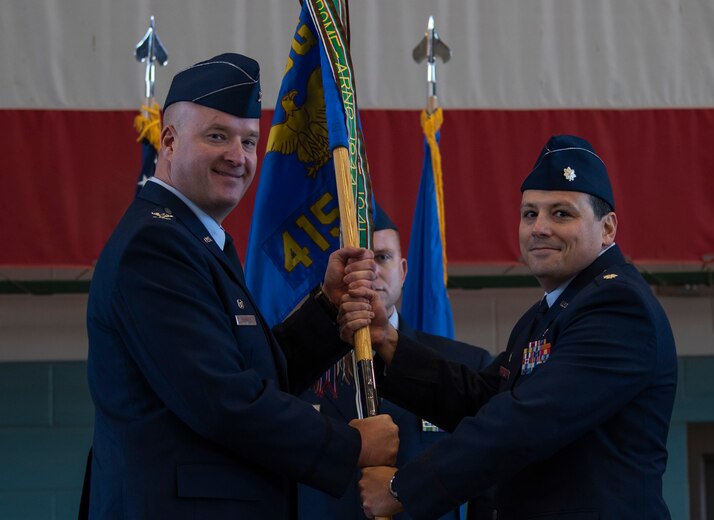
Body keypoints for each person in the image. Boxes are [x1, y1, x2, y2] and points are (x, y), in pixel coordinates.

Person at [84, 53, 398, 518]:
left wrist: (328, 307)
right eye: (217, 136)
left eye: (250, 141)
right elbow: (221, 400)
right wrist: (349, 445)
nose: (238, 156)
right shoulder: (155, 246)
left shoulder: (193, 239)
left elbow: (251, 373)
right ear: (168, 141)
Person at [346, 135, 678, 519]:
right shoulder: (547, 313)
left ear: (608, 229)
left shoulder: (618, 307)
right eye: (530, 214)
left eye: (561, 214)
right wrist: (387, 341)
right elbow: (485, 400)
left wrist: (402, 488)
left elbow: (527, 421)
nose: (539, 228)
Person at [298, 206, 494, 520]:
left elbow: (487, 480)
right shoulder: (299, 367)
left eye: (382, 257)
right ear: (335, 269)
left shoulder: (466, 364)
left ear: (403, 270)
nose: (370, 270)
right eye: (356, 261)